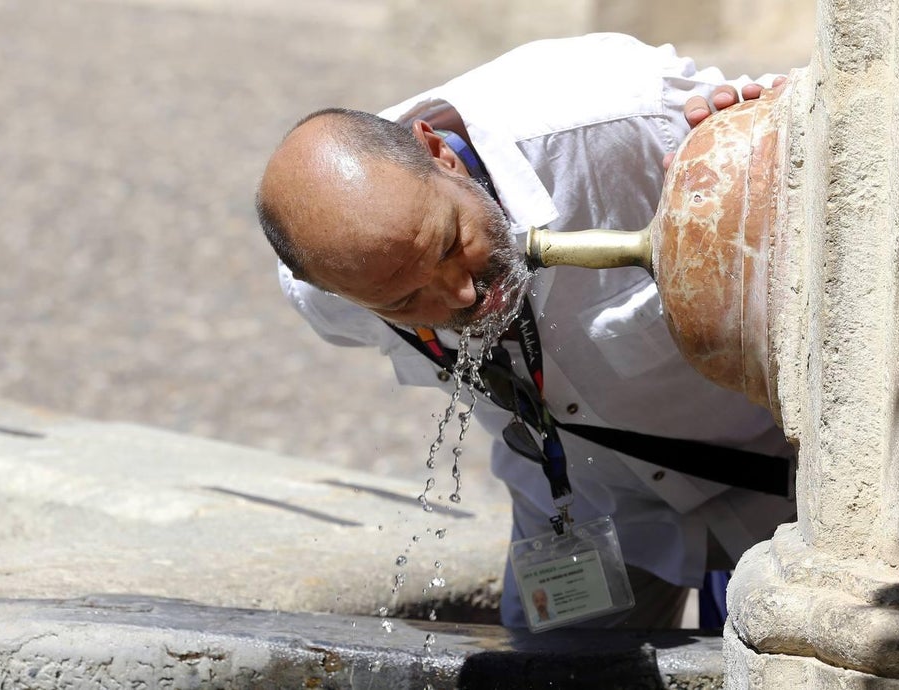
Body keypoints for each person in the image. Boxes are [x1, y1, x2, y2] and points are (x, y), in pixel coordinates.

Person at [256, 32, 796, 629]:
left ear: (438, 152)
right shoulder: (325, 297)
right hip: (589, 516)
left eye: (450, 243)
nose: (459, 293)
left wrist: (767, 134)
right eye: (407, 300)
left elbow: (812, 137)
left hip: (785, 493)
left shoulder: (617, 118)